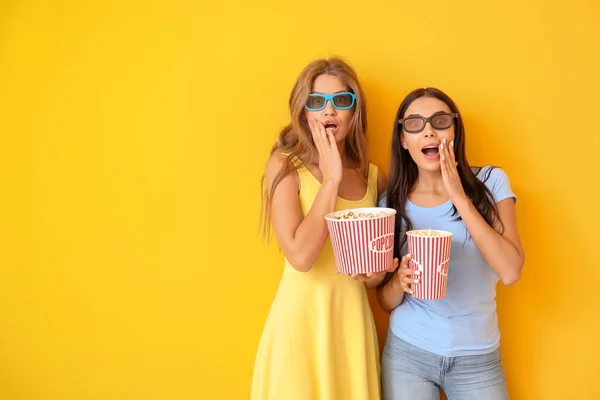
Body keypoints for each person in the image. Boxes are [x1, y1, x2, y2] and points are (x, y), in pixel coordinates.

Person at [251, 57, 392, 400]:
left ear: (354, 112)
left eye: (341, 101)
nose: (329, 111)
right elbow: (301, 256)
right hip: (301, 322)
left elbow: (376, 278)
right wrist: (331, 180)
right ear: (303, 112)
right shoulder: (284, 166)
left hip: (352, 323)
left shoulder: (373, 177)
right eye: (317, 101)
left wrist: (376, 273)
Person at [378, 87, 525, 400]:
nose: (429, 130)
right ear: (403, 140)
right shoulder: (389, 203)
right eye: (415, 123)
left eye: (440, 121)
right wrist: (398, 282)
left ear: (455, 131)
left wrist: (458, 195)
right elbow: (384, 302)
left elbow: (511, 271)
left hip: (478, 359)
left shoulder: (490, 182)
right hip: (408, 354)